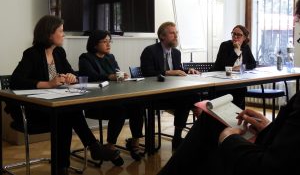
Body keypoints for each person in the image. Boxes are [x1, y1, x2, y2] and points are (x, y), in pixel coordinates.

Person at [8, 15, 119, 175]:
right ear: (48, 34)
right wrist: (46, 84)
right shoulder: (32, 54)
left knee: (66, 115)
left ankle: (63, 167)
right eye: (60, 31)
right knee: (67, 115)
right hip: (34, 110)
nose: (64, 34)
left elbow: (71, 73)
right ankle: (89, 150)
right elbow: (16, 81)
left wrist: (71, 77)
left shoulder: (59, 52)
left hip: (55, 106)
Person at [157, 90, 300, 175]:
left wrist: (228, 138)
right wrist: (268, 129)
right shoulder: (226, 47)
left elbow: (268, 168)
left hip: (260, 164)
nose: (236, 37)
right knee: (211, 120)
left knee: (209, 123)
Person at [79, 30, 145, 164]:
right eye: (104, 41)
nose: (108, 44)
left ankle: (135, 143)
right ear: (94, 44)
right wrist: (109, 76)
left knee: (137, 104)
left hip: (114, 97)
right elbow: (90, 76)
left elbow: (117, 73)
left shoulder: (111, 57)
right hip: (96, 103)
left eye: (110, 41)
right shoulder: (85, 58)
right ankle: (110, 147)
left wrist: (122, 75)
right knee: (119, 110)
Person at [140, 21, 199, 150]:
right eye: (172, 33)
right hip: (156, 95)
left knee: (194, 97)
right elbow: (147, 73)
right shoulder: (150, 51)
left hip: (175, 93)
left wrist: (189, 71)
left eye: (176, 33)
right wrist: (168, 72)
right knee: (188, 99)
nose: (176, 36)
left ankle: (182, 136)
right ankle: (180, 137)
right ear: (162, 36)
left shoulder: (176, 53)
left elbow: (178, 69)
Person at [211, 25, 256, 109]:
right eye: (233, 34)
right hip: (222, 81)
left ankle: (237, 115)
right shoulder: (225, 45)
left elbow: (253, 64)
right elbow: (226, 65)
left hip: (237, 80)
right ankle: (232, 114)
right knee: (240, 90)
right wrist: (237, 51)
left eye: (239, 35)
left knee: (241, 88)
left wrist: (241, 67)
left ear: (244, 37)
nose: (235, 36)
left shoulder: (245, 47)